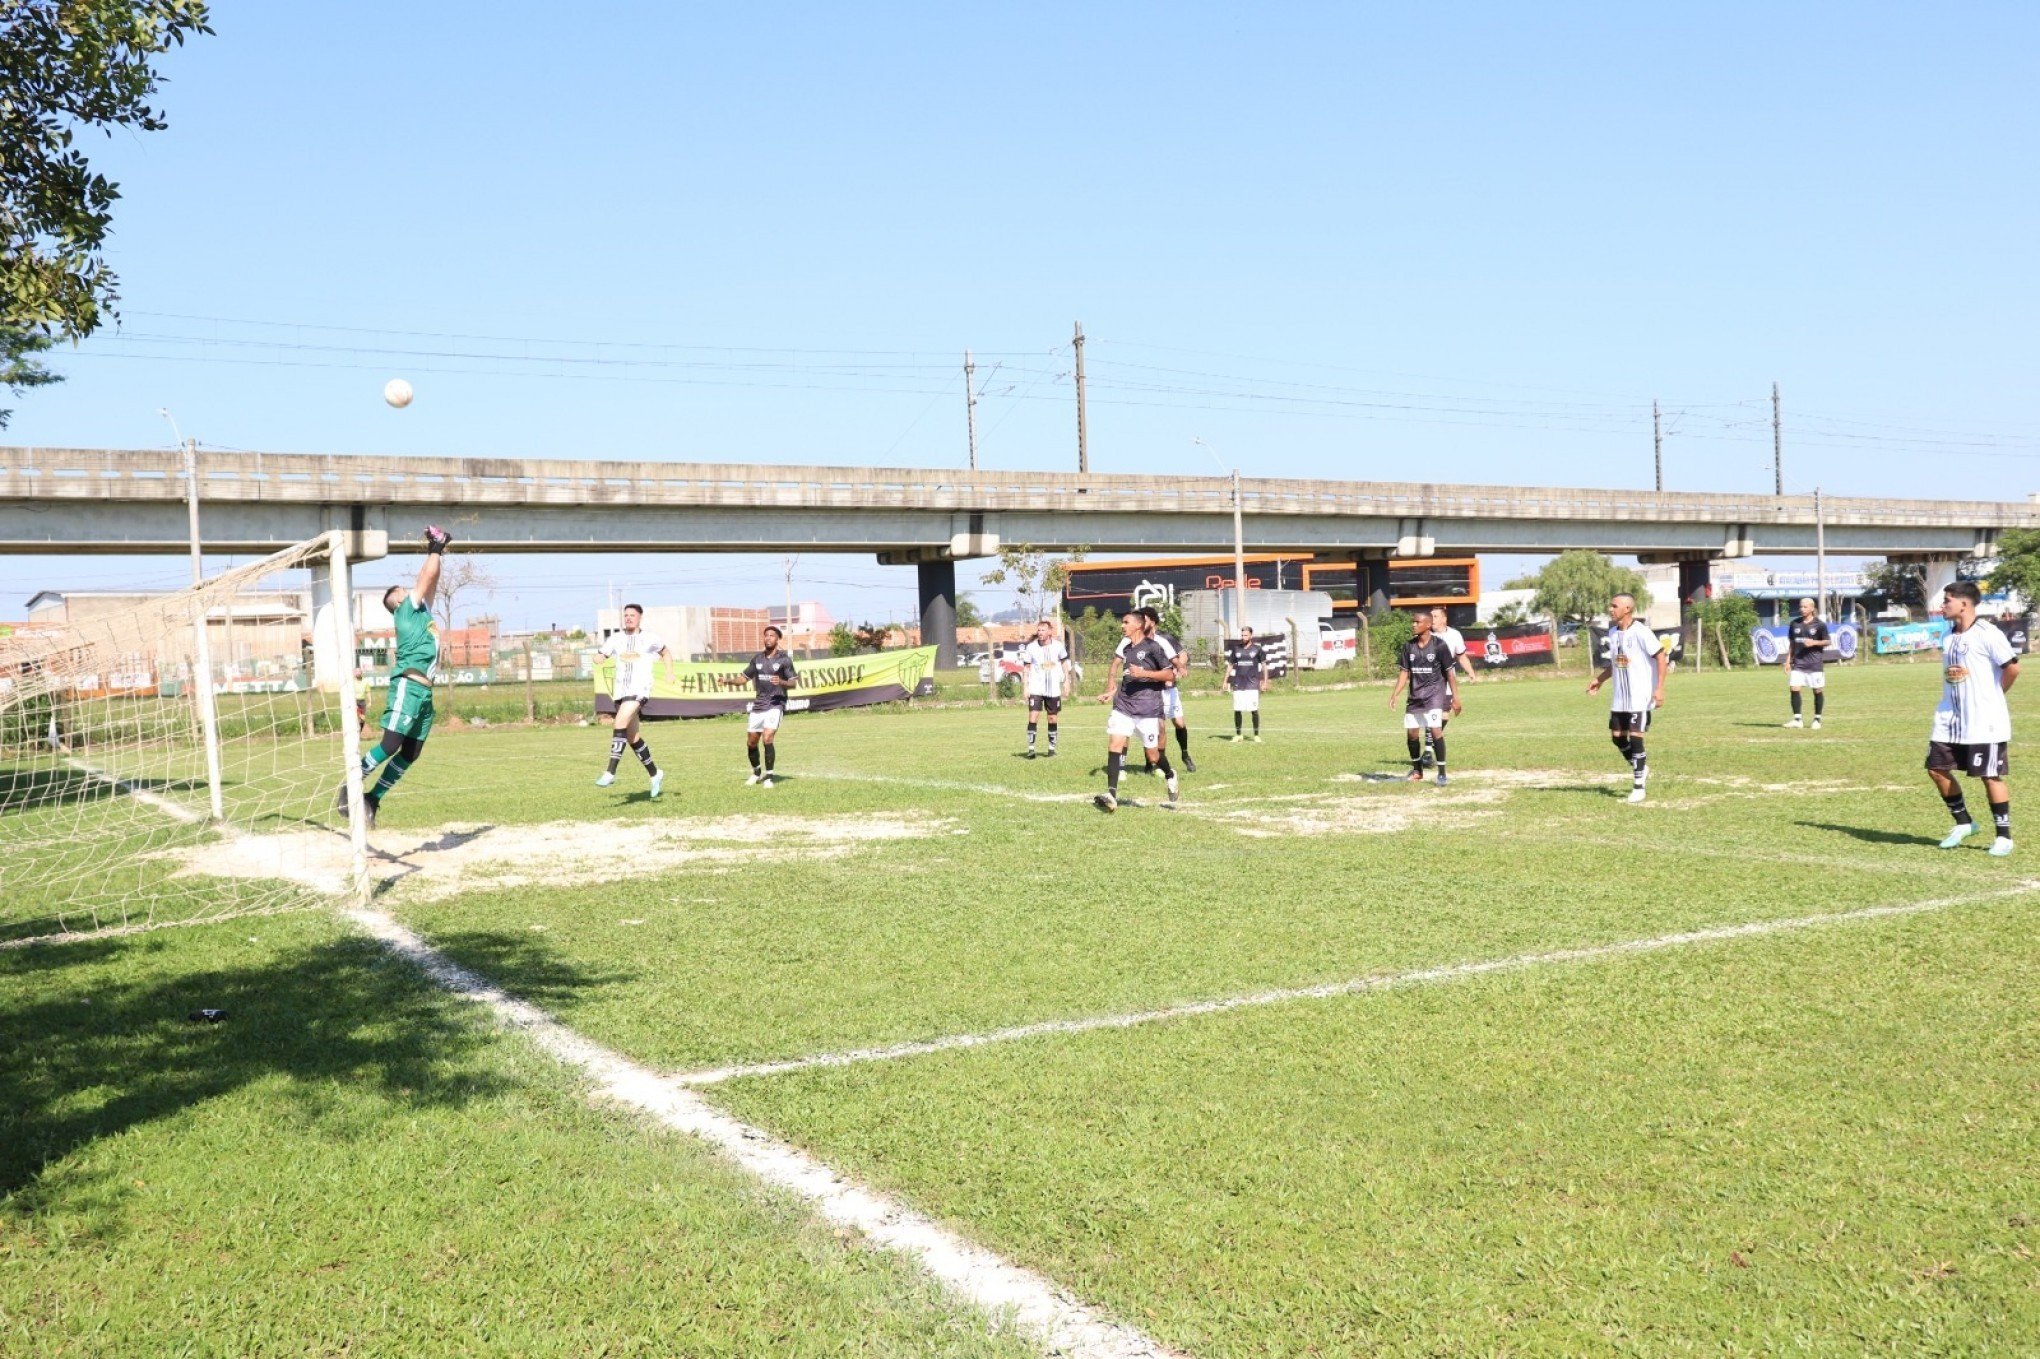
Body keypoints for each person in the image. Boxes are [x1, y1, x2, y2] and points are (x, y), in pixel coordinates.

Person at [339, 525, 450, 827]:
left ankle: (372, 799)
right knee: (390, 744)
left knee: (411, 752)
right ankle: (349, 786)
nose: (412, 591)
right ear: (398, 600)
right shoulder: (405, 610)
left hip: (425, 692)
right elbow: (425, 578)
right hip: (408, 685)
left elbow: (432, 578)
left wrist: (437, 554)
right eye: (404, 591)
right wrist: (435, 549)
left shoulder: (421, 613)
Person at [1928, 580, 2018, 855]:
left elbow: (2013, 669)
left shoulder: (1988, 633)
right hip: (1949, 718)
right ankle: (1964, 822)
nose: (1942, 605)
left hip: (1983, 721)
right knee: (1936, 769)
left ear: (1964, 603)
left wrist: (1994, 695)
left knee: (1989, 776)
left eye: (1947, 600)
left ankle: (2004, 836)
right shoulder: (1949, 636)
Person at [1095, 609, 1180, 812]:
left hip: (1147, 708)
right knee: (1115, 743)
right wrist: (1112, 691)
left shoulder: (1153, 647)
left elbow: (1170, 675)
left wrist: (1145, 673)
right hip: (1123, 705)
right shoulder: (1126, 648)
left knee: (1153, 755)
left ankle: (1170, 774)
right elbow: (1125, 675)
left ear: (1138, 625)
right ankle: (1112, 795)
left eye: (1125, 622)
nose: (1122, 626)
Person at [1586, 592, 1666, 804]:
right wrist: (1600, 680)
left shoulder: (1641, 632)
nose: (1610, 609)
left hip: (1640, 696)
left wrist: (1659, 688)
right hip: (1620, 697)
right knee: (1617, 737)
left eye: (1614, 606)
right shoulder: (1613, 633)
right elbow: (1616, 663)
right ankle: (1641, 767)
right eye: (1610, 605)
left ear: (1627, 609)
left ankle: (1639, 787)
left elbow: (1661, 657)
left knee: (1636, 737)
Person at [596, 603, 668, 796]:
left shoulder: (649, 638)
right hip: (620, 691)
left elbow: (665, 652)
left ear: (640, 618)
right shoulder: (616, 639)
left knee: (619, 721)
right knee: (632, 737)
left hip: (639, 690)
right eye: (626, 615)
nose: (628, 618)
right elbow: (602, 653)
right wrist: (599, 657)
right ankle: (655, 773)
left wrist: (669, 672)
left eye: (632, 615)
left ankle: (611, 771)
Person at [1389, 608, 1461, 785]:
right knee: (1412, 734)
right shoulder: (1409, 646)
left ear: (1428, 625)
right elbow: (1404, 673)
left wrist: (1456, 698)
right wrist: (1395, 694)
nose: (1413, 625)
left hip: (1435, 695)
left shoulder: (1439, 646)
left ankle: (1442, 773)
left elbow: (1450, 674)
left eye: (1417, 622)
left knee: (1435, 729)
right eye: (1413, 622)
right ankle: (1417, 770)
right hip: (1415, 696)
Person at [725, 625, 797, 788]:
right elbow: (743, 679)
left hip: (776, 703)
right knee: (751, 742)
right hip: (759, 704)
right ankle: (756, 772)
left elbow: (793, 683)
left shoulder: (784, 660)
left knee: (768, 736)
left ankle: (769, 777)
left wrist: (782, 682)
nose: (768, 638)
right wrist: (728, 681)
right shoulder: (757, 659)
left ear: (778, 639)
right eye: (766, 635)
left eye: (772, 635)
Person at [1141, 606, 1198, 772]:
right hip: (1152, 691)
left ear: (1152, 621)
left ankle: (1185, 755)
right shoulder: (1139, 642)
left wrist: (1176, 670)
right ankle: (1154, 763)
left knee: (1179, 723)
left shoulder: (1165, 639)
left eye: (1144, 620)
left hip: (1170, 690)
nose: (1141, 623)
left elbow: (1183, 655)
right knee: (1158, 727)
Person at [1017, 620, 1072, 758]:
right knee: (1033, 717)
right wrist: (1025, 687)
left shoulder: (1058, 646)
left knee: (1052, 719)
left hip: (1053, 689)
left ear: (1049, 631)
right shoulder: (1031, 648)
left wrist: (1067, 682)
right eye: (1039, 630)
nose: (1040, 633)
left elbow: (1065, 663)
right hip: (1036, 688)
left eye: (1043, 630)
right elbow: (1026, 668)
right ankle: (1031, 749)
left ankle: (1051, 749)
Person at [1783, 596, 1830, 729]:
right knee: (1794, 688)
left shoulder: (1819, 625)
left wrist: (1814, 642)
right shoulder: (1794, 624)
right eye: (1800, 606)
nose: (1802, 609)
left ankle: (1817, 720)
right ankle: (1797, 719)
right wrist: (1787, 662)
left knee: (1817, 690)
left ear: (1812, 608)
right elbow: (1792, 644)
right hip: (1798, 663)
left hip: (1814, 664)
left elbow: (1827, 641)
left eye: (1805, 607)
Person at [1228, 624, 1269, 742]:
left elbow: (1264, 666)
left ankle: (1256, 735)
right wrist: (1225, 680)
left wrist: (1265, 682)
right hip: (1238, 684)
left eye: (1246, 635)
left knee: (1254, 710)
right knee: (1237, 709)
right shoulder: (1236, 649)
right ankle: (1238, 734)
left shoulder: (1257, 649)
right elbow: (1230, 665)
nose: (1243, 637)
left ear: (1251, 635)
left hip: (1252, 685)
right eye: (1242, 635)